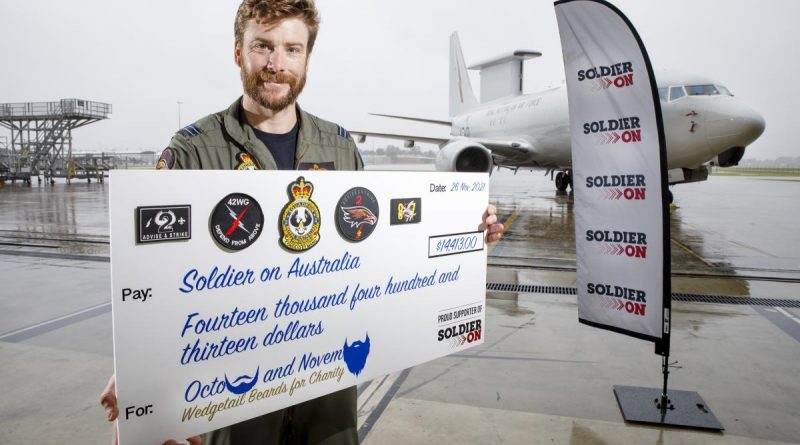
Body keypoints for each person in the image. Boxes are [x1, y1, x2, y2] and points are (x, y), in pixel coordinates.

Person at [100, 1, 504, 443]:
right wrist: (135, 371)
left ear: (307, 58)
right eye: (263, 47)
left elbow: (376, 251)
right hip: (235, 400)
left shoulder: (340, 146)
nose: (276, 64)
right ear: (238, 52)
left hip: (327, 394)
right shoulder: (195, 150)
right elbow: (156, 273)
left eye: (292, 49)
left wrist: (463, 236)